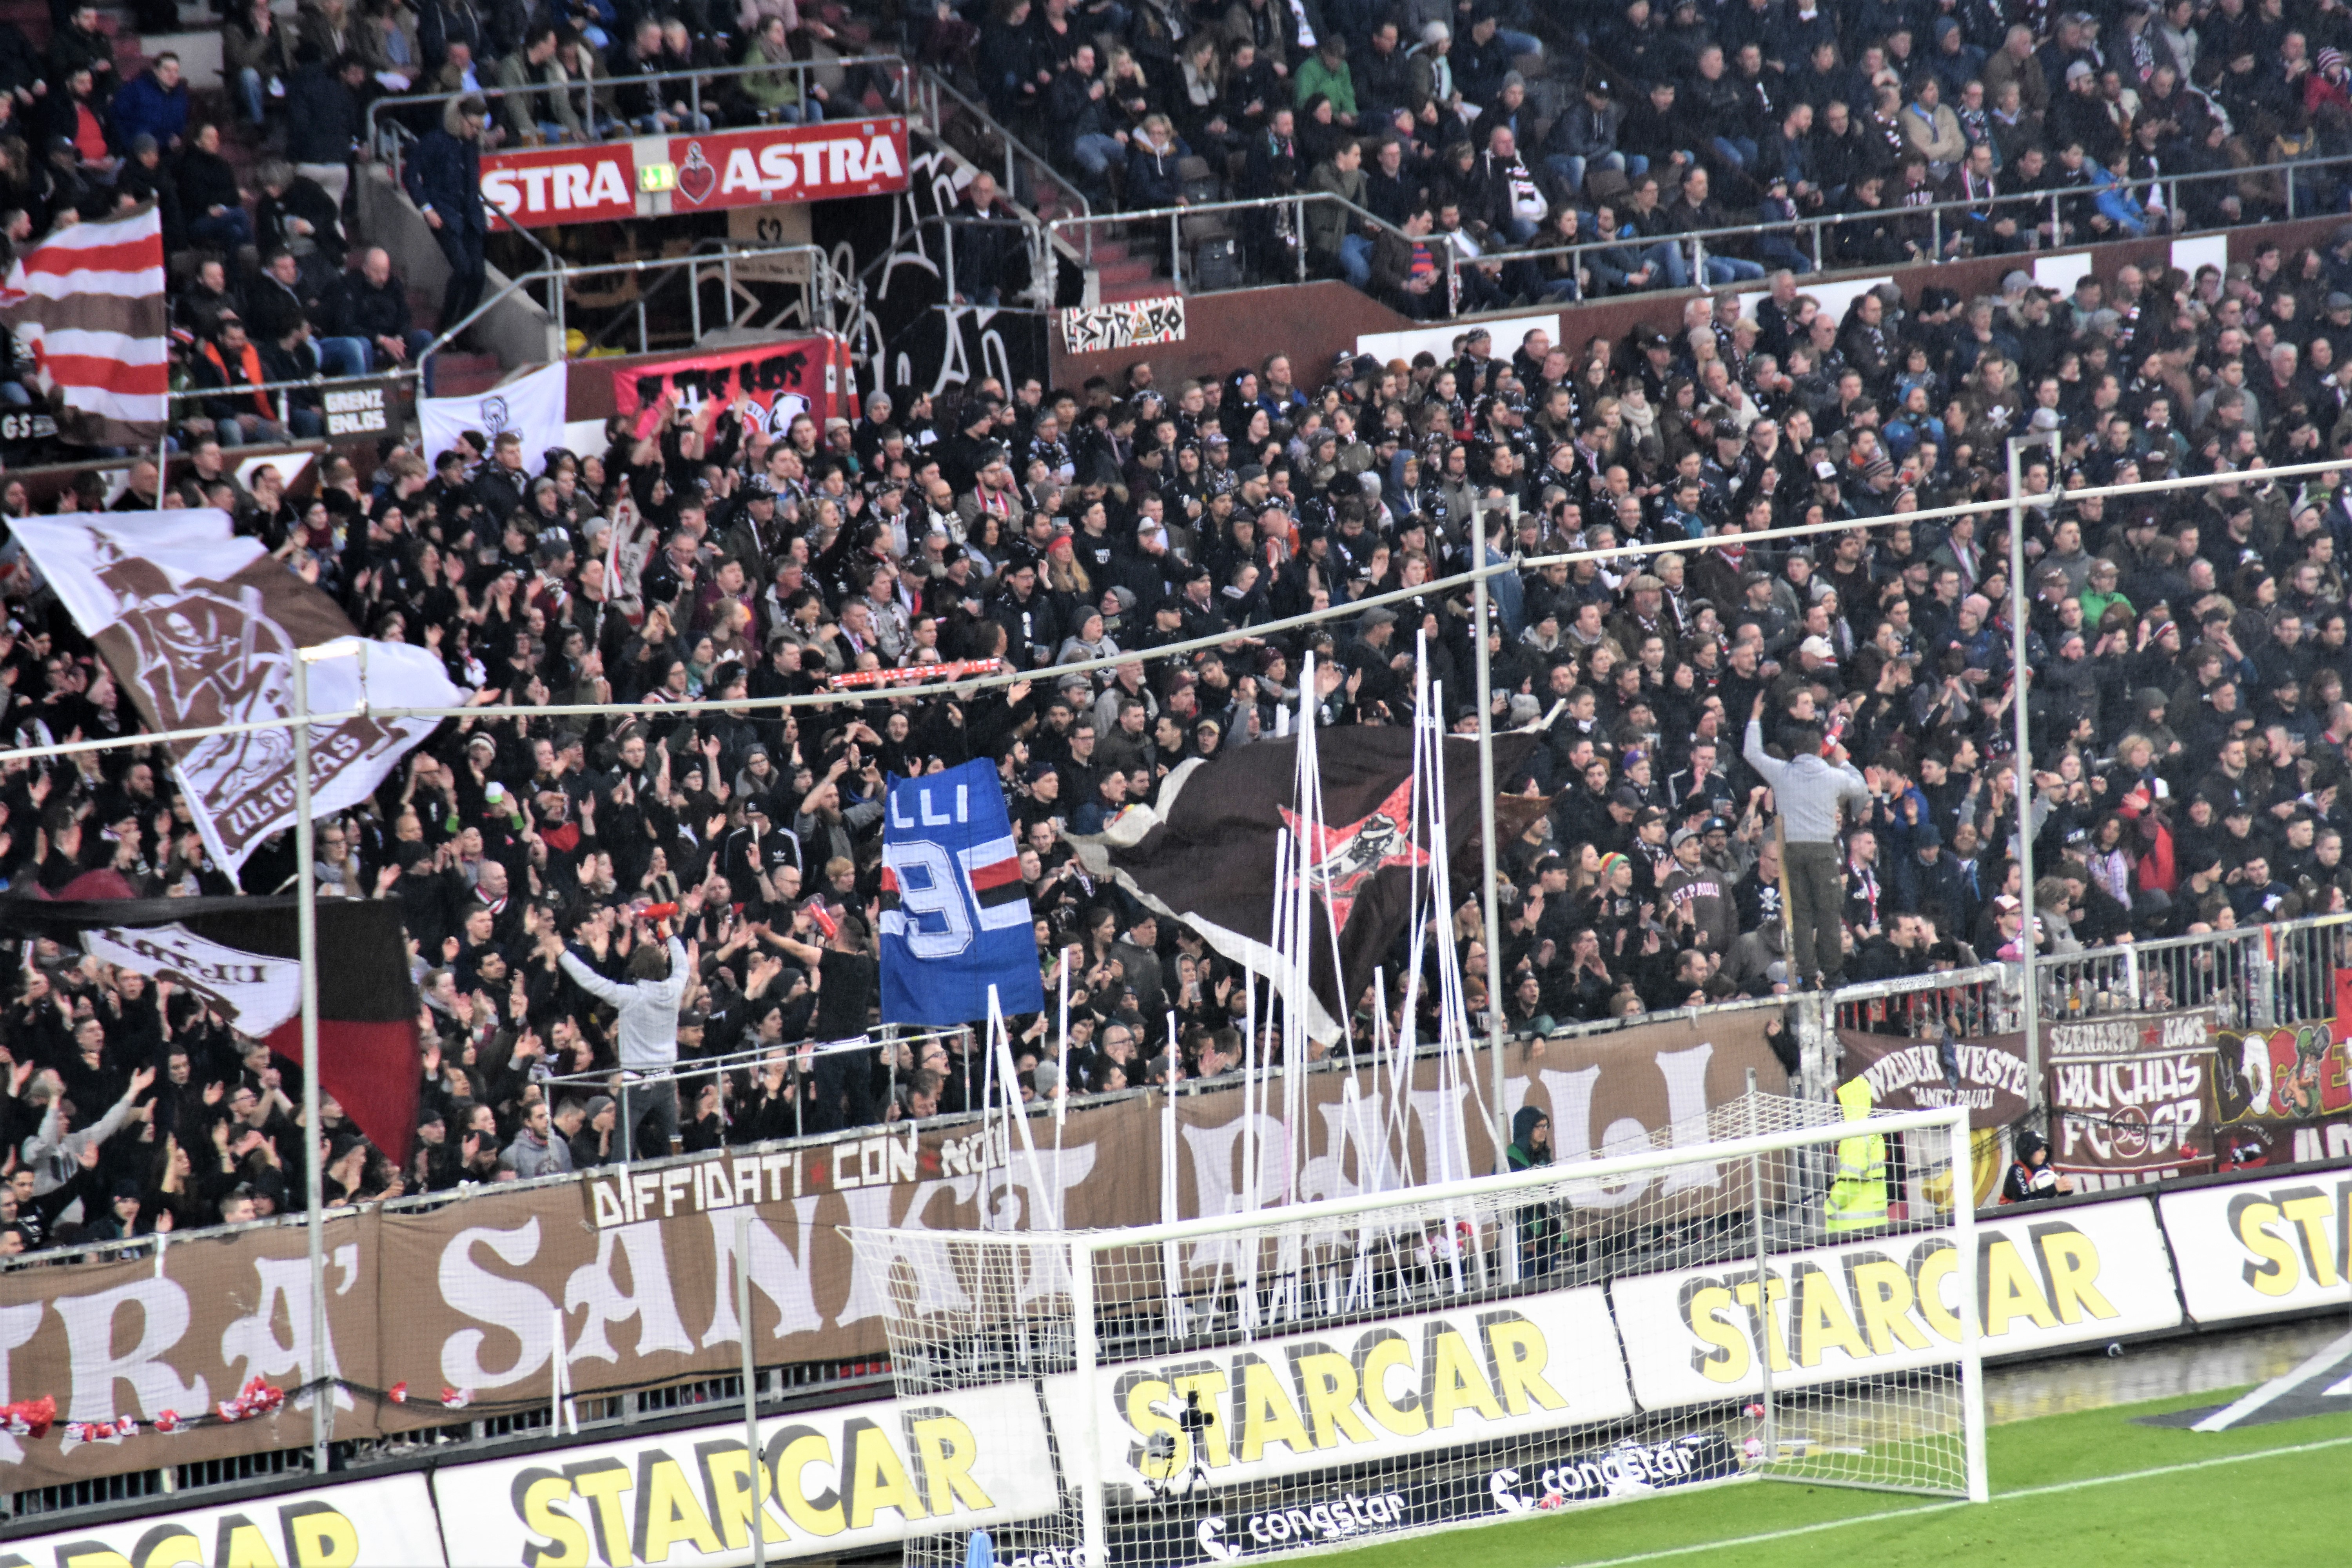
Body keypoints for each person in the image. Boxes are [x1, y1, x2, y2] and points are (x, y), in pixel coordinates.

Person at [1742, 691, 1870, 988]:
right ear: (1818, 752)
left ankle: (1809, 976)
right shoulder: (1833, 776)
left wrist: (1755, 718)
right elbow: (1861, 789)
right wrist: (1845, 761)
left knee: (1799, 913)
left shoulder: (1783, 773)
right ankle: (1834, 973)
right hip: (1823, 850)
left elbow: (1752, 754)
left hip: (1791, 850)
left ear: (1796, 752)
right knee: (1828, 912)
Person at [559, 912, 693, 1160]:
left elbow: (590, 981)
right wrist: (669, 932)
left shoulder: (629, 996)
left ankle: (621, 1186)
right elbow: (684, 964)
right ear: (662, 967)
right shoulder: (675, 989)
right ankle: (679, 1170)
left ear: (636, 970)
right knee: (672, 1137)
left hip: (635, 1083)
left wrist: (562, 954)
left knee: (623, 1144)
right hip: (666, 1080)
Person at [402, 95, 490, 343]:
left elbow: (472, 182)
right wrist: (427, 208)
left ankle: (463, 330)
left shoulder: (471, 146)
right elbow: (410, 176)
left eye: (479, 128)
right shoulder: (434, 142)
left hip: (471, 216)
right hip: (445, 214)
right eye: (472, 126)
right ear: (459, 119)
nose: (475, 132)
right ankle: (448, 328)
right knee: (463, 269)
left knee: (479, 275)